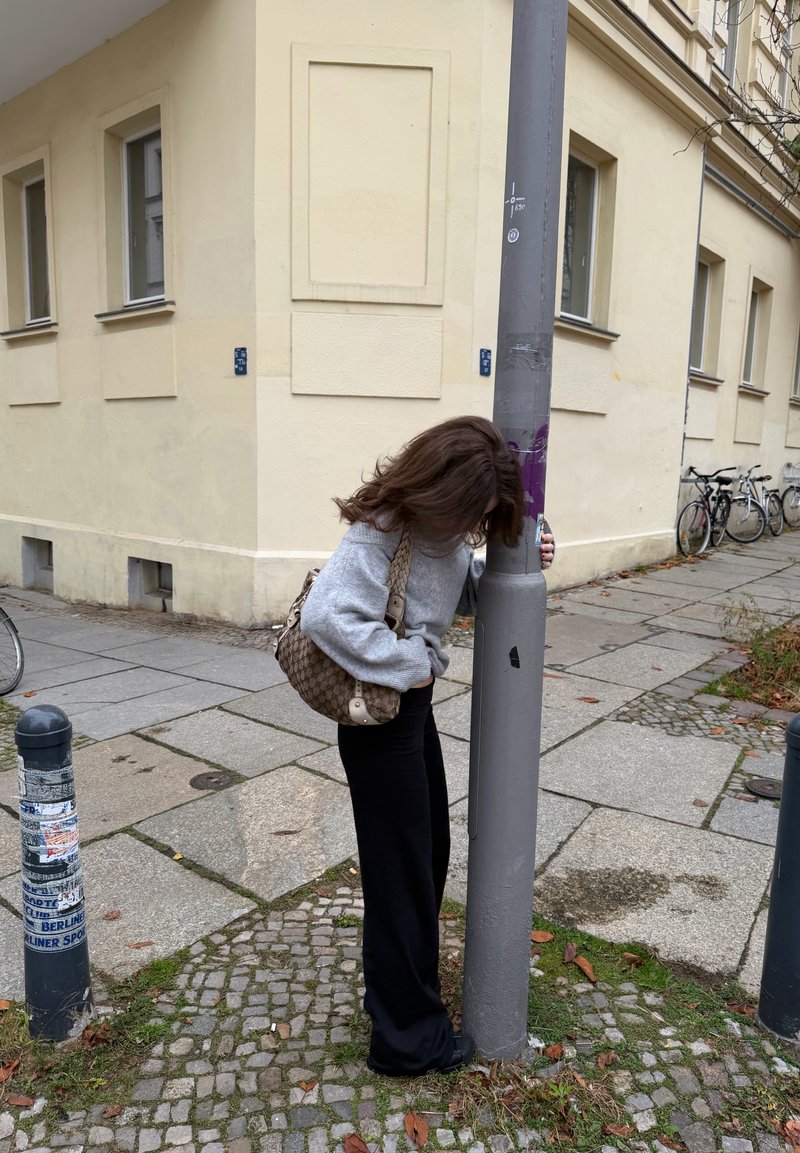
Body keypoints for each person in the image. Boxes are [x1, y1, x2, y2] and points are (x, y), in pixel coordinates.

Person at [300, 415, 555, 1078]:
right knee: (400, 879)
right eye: (475, 512)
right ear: (447, 493)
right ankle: (407, 1042)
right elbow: (327, 613)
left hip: (408, 717)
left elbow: (440, 593)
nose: (475, 526)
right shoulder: (385, 525)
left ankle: (394, 1002)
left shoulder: (436, 532)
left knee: (424, 859)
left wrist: (507, 560)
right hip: (381, 720)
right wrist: (406, 663)